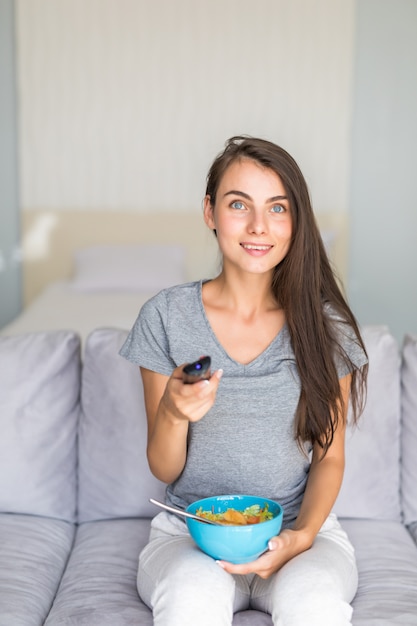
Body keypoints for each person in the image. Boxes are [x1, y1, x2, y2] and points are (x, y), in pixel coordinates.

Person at [120, 136, 368, 626]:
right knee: (190, 603)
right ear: (210, 212)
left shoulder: (327, 328)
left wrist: (302, 536)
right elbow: (164, 469)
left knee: (315, 606)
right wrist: (173, 412)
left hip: (298, 534)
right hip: (188, 536)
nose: (259, 226)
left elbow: (330, 457)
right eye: (239, 204)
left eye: (277, 208)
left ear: (296, 220)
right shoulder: (166, 316)